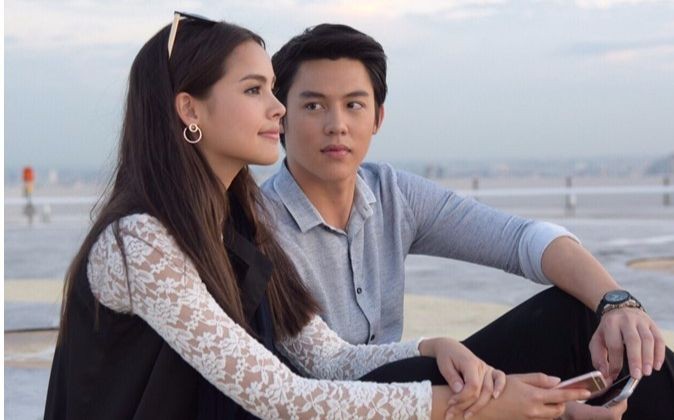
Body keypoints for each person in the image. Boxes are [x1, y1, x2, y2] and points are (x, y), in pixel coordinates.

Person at [43, 12, 594, 420]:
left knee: (566, 320)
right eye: (255, 90)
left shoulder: (236, 226)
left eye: (273, 91)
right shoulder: (141, 241)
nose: (277, 108)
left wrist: (432, 348)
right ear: (190, 109)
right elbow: (282, 398)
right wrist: (465, 407)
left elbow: (329, 360)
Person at [262, 23, 674, 419]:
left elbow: (521, 240)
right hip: (329, 408)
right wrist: (432, 348)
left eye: (354, 105)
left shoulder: (391, 193)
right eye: (313, 106)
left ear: (377, 118)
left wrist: (616, 302)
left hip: (416, 394)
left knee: (585, 315)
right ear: (281, 117)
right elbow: (326, 368)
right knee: (457, 363)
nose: (337, 125)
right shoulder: (261, 224)